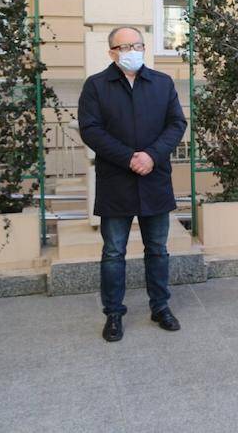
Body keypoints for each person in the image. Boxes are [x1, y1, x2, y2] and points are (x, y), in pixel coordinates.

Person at [78, 26, 187, 342]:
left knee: (157, 249)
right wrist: (129, 158)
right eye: (125, 46)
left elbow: (176, 123)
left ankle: (160, 307)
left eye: (137, 45)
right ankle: (113, 314)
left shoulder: (162, 83)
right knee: (113, 251)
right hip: (117, 180)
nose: (132, 51)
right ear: (112, 52)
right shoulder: (97, 86)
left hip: (155, 179)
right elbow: (91, 130)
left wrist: (151, 156)